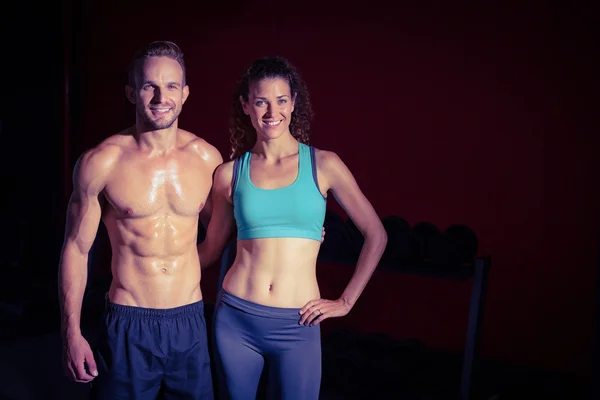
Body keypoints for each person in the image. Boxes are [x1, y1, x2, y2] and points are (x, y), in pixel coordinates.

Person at [198, 56, 388, 400]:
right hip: (236, 318)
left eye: (281, 100)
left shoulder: (325, 165)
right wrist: (157, 274)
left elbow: (376, 234)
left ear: (294, 102)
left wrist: (346, 300)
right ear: (245, 106)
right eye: (261, 101)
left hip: (298, 323)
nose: (272, 112)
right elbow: (211, 248)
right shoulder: (228, 174)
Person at [58, 41, 222, 400]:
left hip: (190, 322)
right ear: (132, 93)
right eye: (149, 86)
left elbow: (229, 232)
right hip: (129, 323)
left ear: (185, 94)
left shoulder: (207, 158)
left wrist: (298, 230)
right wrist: (71, 331)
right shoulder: (101, 162)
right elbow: (75, 249)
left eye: (172, 87)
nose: (161, 97)